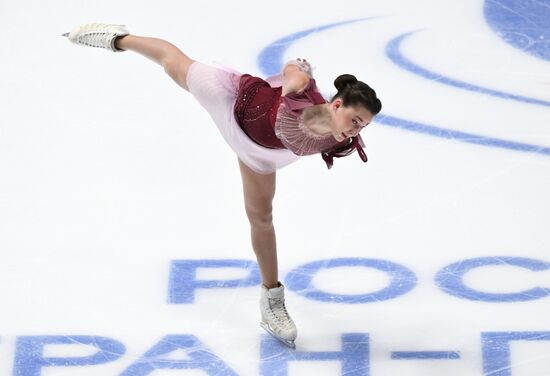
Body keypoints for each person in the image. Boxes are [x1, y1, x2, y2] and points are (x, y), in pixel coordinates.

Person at [63, 23, 382, 349]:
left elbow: (322, 134)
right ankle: (118, 38)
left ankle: (271, 299)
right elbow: (293, 77)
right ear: (337, 105)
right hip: (234, 102)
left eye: (363, 126)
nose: (356, 131)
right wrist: (297, 71)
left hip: (261, 152)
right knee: (174, 63)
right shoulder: (300, 92)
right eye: (355, 121)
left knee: (261, 217)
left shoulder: (340, 136)